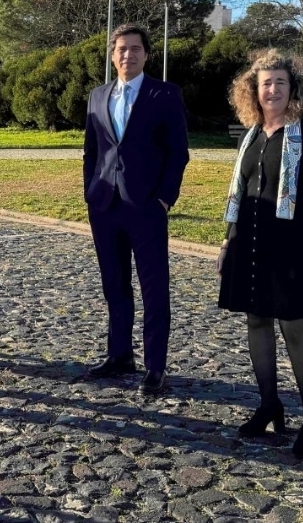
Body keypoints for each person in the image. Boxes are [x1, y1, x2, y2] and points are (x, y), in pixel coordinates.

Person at [217, 48, 303, 459]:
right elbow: (240, 193)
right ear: (254, 90)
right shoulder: (250, 135)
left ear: (293, 88)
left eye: (280, 82)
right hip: (250, 243)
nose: (272, 90)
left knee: (295, 328)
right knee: (256, 321)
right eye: (266, 83)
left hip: (293, 247)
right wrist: (227, 242)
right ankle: (269, 405)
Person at [83, 23, 190, 396]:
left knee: (153, 287)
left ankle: (155, 367)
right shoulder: (97, 96)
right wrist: (90, 191)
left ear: (146, 54)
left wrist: (164, 198)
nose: (128, 54)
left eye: (135, 49)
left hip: (146, 206)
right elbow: (92, 151)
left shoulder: (165, 94)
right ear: (112, 55)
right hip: (105, 206)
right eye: (121, 49)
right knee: (114, 285)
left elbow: (178, 152)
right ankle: (119, 355)